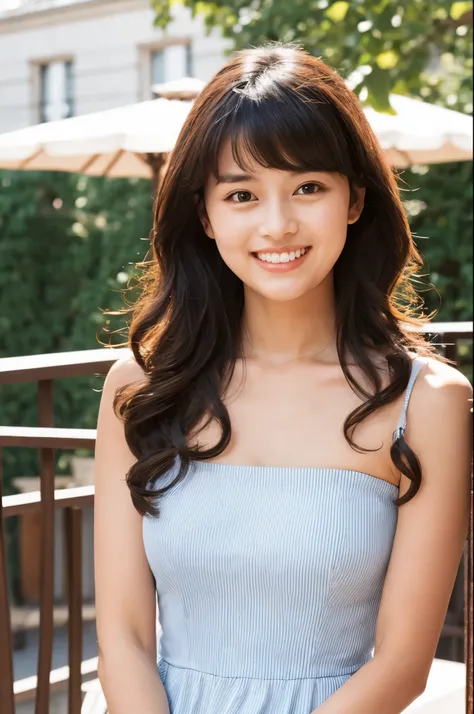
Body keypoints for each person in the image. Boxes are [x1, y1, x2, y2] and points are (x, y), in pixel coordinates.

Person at [93, 43, 473, 714]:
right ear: (205, 215)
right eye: (242, 194)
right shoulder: (140, 391)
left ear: (354, 198)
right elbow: (122, 634)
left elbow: (404, 664)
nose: (278, 224)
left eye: (307, 187)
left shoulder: (428, 403)